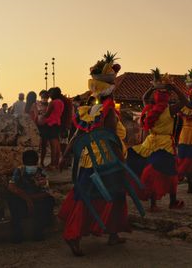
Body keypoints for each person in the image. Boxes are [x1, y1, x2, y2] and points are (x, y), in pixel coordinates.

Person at [58, 52, 131, 256]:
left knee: (93, 194)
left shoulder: (91, 108)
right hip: (107, 160)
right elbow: (111, 138)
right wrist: (122, 159)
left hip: (88, 158)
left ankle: (113, 234)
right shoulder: (107, 110)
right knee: (104, 195)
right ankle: (73, 235)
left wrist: (66, 154)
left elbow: (78, 132)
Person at [128, 69, 187, 211]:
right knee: (169, 172)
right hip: (165, 144)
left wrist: (152, 87)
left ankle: (154, 204)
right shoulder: (170, 110)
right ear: (167, 97)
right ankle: (171, 202)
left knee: (151, 170)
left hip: (150, 142)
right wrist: (174, 88)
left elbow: (143, 98)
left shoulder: (148, 108)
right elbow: (185, 101)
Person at [7, 150, 55, 242]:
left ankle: (38, 230)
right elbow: (11, 186)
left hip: (36, 202)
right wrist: (27, 199)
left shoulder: (41, 172)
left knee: (49, 200)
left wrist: (31, 199)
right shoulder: (19, 170)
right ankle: (17, 232)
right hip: (23, 202)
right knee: (11, 198)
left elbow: (46, 192)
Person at [42, 87, 64, 169]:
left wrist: (41, 115)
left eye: (50, 93)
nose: (49, 94)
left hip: (51, 124)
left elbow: (47, 114)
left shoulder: (53, 102)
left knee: (53, 146)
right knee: (57, 145)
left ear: (54, 94)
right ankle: (56, 163)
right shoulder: (61, 102)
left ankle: (52, 164)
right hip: (57, 123)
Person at [36, 90, 50, 167]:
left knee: (44, 145)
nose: (44, 99)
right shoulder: (37, 104)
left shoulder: (49, 105)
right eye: (43, 97)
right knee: (37, 144)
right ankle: (36, 161)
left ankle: (41, 161)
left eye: (45, 98)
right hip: (38, 125)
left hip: (46, 126)